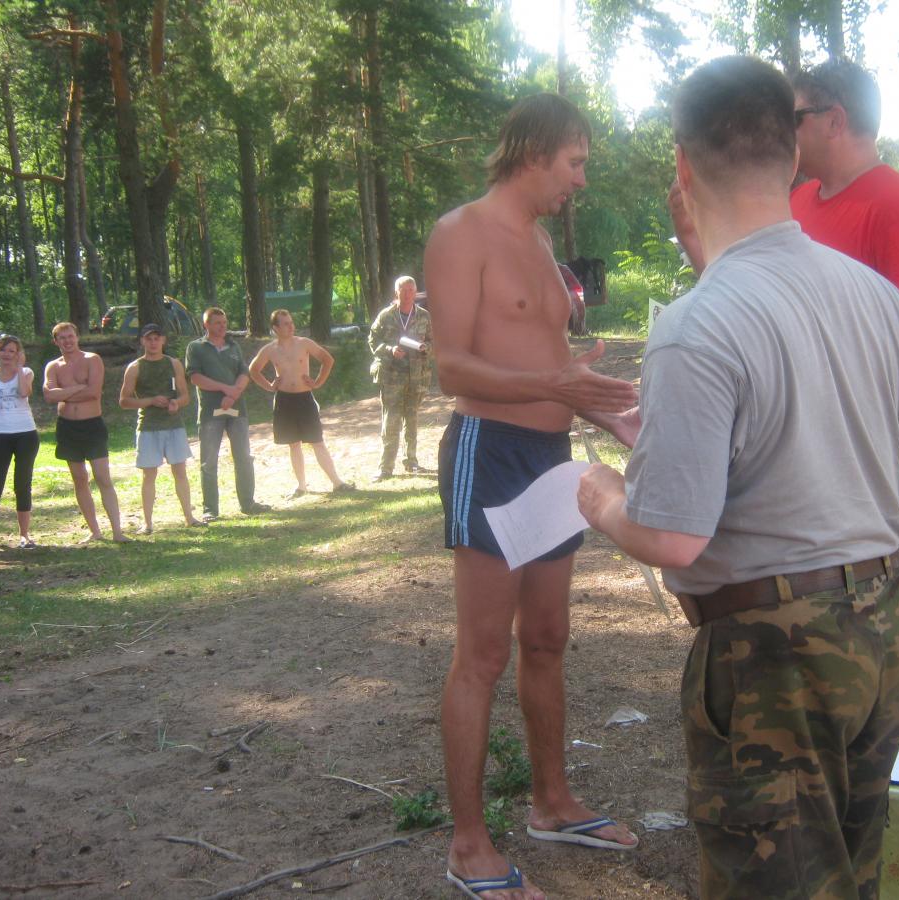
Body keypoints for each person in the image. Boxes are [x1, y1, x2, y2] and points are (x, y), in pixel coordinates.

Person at [578, 56, 899, 899]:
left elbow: (673, 537)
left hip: (776, 655)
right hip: (883, 620)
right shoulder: (875, 296)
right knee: (853, 871)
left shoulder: (698, 323)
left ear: (682, 163)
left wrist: (601, 496)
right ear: (791, 154)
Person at [424, 92, 640, 900]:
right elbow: (450, 367)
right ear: (535, 151)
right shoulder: (460, 233)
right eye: (575, 162)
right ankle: (468, 845)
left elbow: (549, 361)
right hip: (489, 452)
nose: (580, 179)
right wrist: (557, 384)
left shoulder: (542, 240)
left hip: (550, 456)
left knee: (547, 638)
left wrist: (605, 407)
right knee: (482, 654)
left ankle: (552, 802)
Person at [669, 58, 899, 582]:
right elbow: (749, 303)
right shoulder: (796, 200)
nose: (780, 129)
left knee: (862, 594)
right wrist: (694, 238)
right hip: (782, 455)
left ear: (835, 120)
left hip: (860, 466)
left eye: (793, 117)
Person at [248, 309, 354, 497]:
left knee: (317, 441)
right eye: (286, 324)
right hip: (284, 400)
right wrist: (269, 386)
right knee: (293, 444)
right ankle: (301, 486)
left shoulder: (304, 343)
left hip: (305, 398)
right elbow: (253, 370)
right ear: (275, 328)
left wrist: (318, 382)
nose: (291, 326)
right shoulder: (270, 349)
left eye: (291, 322)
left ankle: (337, 482)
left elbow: (327, 360)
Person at [42, 322, 128, 543]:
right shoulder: (53, 366)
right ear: (56, 341)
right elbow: (49, 396)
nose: (67, 341)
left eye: (70, 336)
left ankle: (117, 531)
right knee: (79, 479)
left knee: (102, 477)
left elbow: (93, 392)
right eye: (62, 338)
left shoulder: (92, 359)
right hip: (67, 427)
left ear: (77, 337)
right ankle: (95, 531)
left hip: (92, 425)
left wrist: (64, 393)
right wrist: (77, 388)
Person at [185, 307, 269, 519]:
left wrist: (233, 394)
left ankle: (248, 503)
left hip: (237, 409)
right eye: (217, 323)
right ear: (206, 324)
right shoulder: (196, 348)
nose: (223, 326)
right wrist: (225, 389)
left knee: (244, 457)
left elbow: (244, 373)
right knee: (209, 462)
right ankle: (210, 510)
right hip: (210, 412)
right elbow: (195, 378)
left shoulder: (233, 346)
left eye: (224, 322)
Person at [119, 324, 204, 533]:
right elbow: (124, 401)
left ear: (163, 340)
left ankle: (189, 517)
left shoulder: (174, 364)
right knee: (149, 476)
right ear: (142, 341)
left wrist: (176, 403)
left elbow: (185, 395)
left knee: (180, 472)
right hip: (148, 427)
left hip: (173, 425)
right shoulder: (135, 367)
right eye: (149, 339)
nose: (153, 343)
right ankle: (147, 523)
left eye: (157, 338)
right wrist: (149, 401)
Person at [0, 334, 40, 552]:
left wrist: (19, 369)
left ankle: (24, 535)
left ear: (18, 354)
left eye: (11, 351)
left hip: (26, 433)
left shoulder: (27, 372)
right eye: (3, 350)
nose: (6, 354)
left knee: (22, 484)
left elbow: (24, 392)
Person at [368, 275, 432, 478]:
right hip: (391, 376)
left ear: (415, 292)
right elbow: (373, 340)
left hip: (416, 376)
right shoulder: (386, 316)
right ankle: (385, 468)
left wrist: (426, 348)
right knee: (391, 421)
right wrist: (389, 349)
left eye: (411, 290)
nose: (407, 294)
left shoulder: (424, 316)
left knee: (411, 420)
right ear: (396, 292)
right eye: (403, 290)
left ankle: (411, 462)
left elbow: (434, 341)